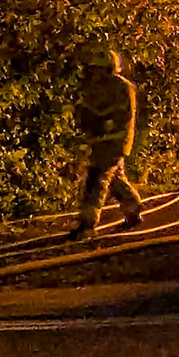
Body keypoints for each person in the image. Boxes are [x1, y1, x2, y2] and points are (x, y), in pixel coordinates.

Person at [69, 45, 143, 240]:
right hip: (100, 140)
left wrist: (98, 119)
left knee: (96, 179)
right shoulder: (95, 86)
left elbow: (118, 114)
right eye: (95, 69)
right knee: (115, 178)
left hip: (115, 139)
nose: (97, 73)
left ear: (110, 69)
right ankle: (133, 209)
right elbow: (87, 108)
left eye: (100, 69)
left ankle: (88, 223)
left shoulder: (123, 88)